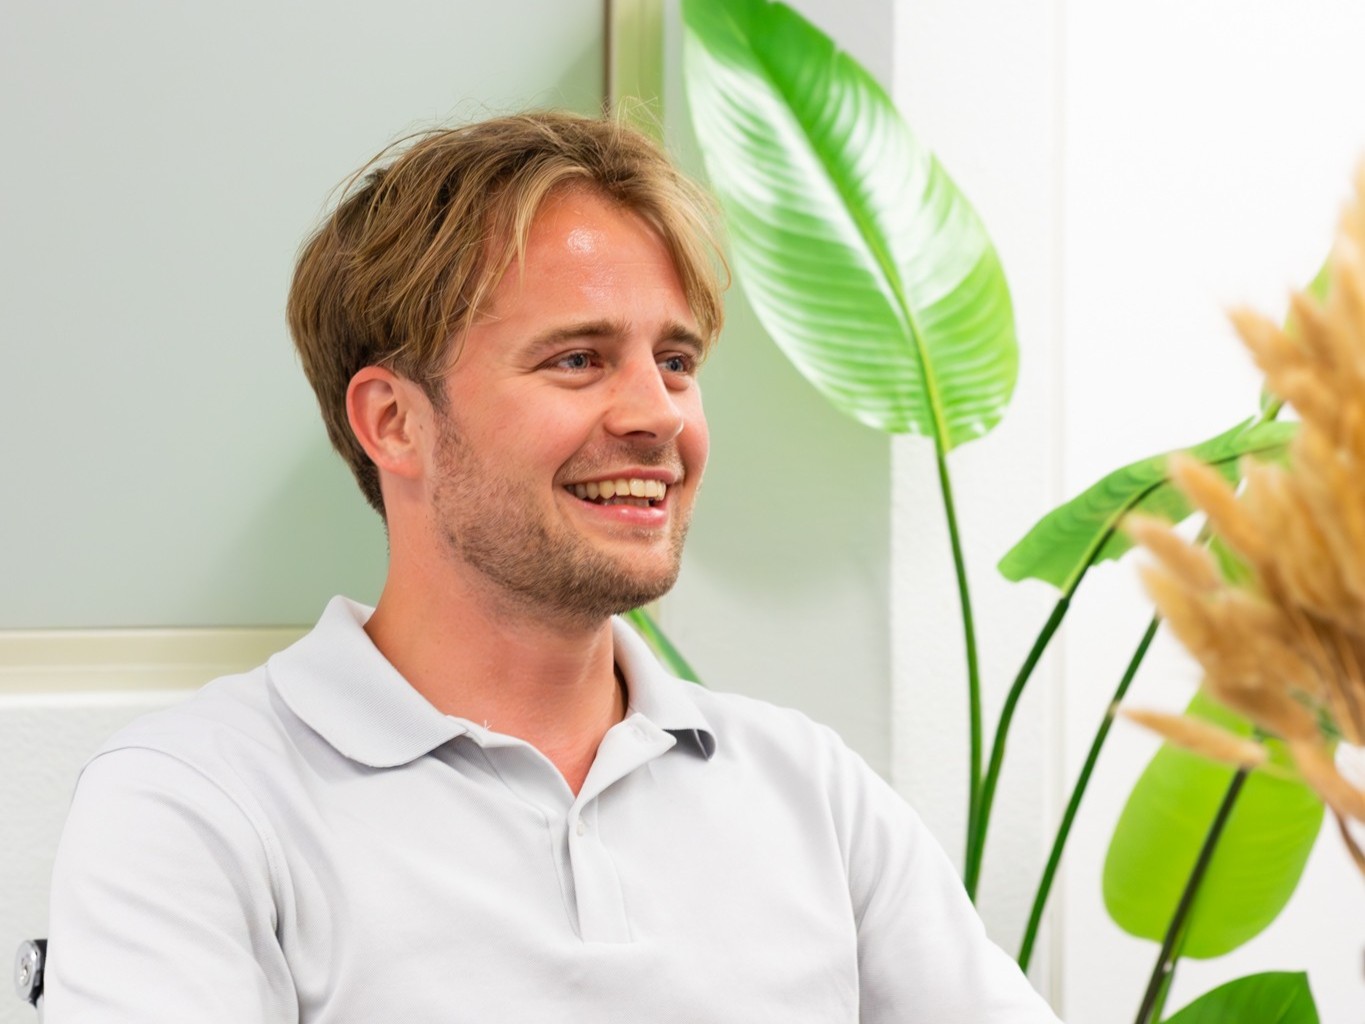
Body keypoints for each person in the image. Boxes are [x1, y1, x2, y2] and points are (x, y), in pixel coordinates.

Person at [44, 112, 1062, 1022]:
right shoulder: (197, 803)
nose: (657, 414)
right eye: (577, 359)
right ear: (393, 422)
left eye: (675, 362)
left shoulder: (812, 792)